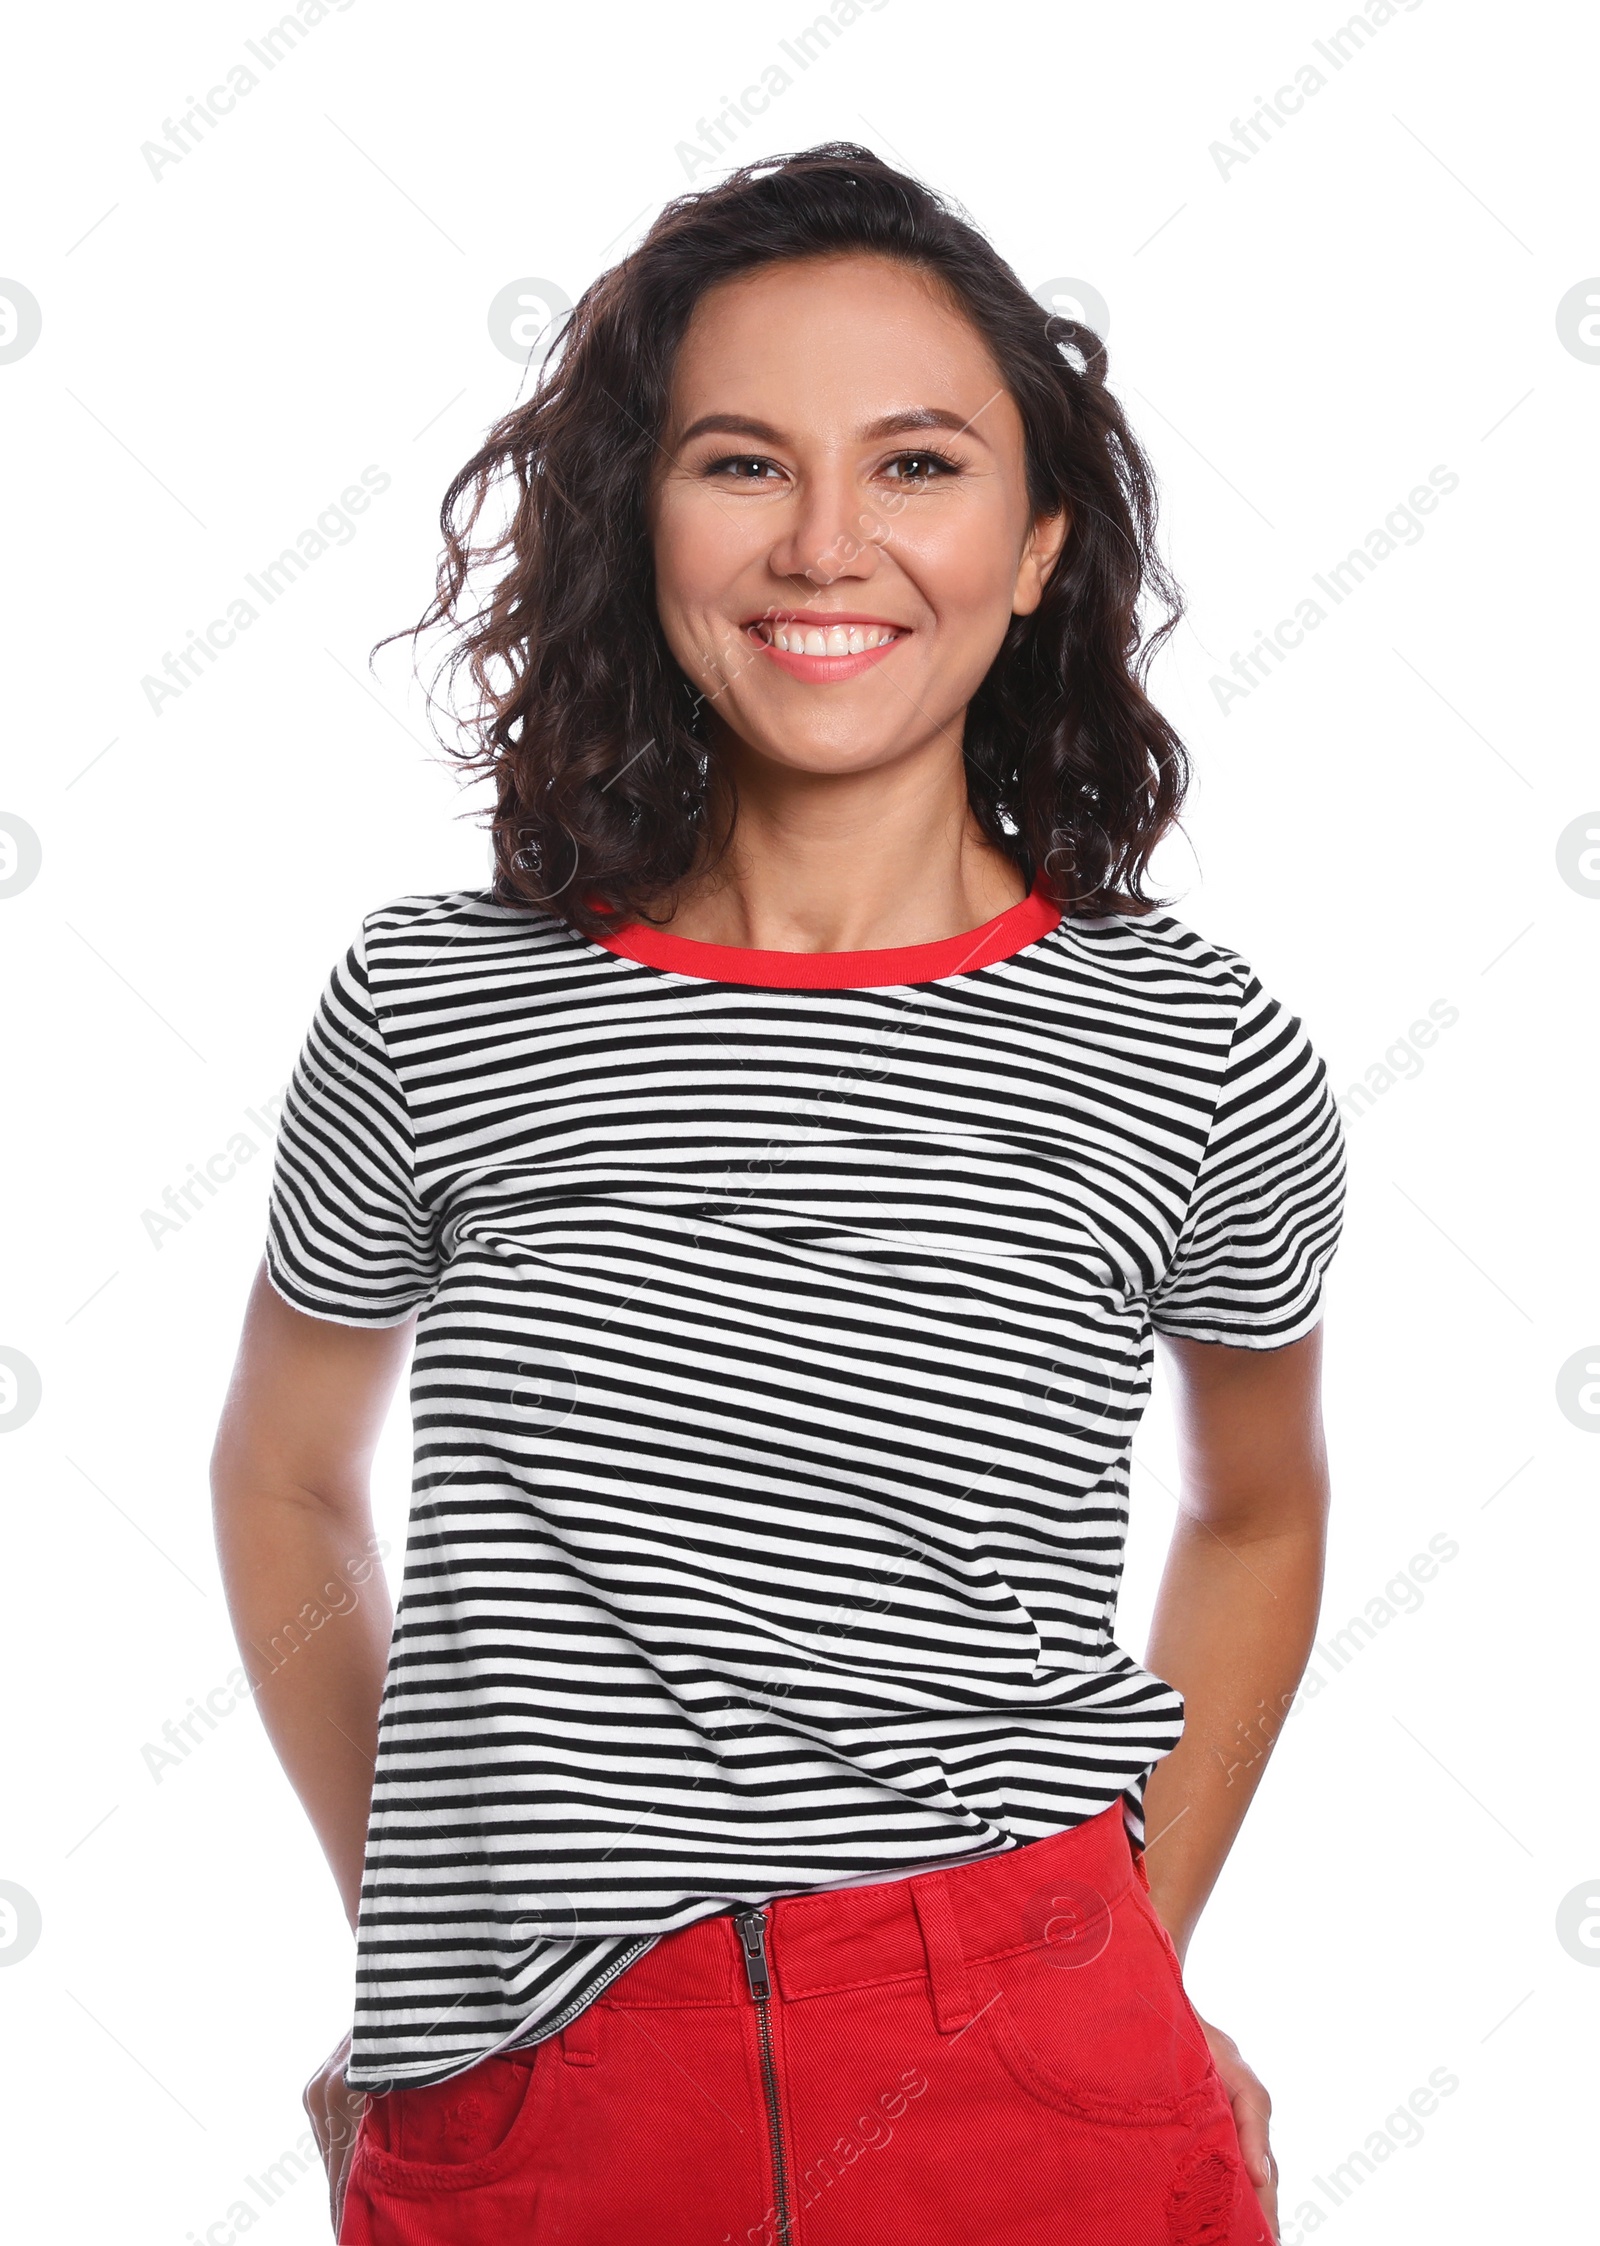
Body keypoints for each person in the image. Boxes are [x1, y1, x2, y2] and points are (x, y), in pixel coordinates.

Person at [211, 142, 1344, 2245]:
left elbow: (1253, 1501)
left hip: (1027, 2066)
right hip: (539, 2107)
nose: (827, 541)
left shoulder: (1192, 1045)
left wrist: (1135, 1949)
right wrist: (433, 1949)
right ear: (639, 521)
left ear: (1033, 549)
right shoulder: (432, 1005)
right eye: (740, 463)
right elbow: (286, 1472)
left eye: (914, 465)